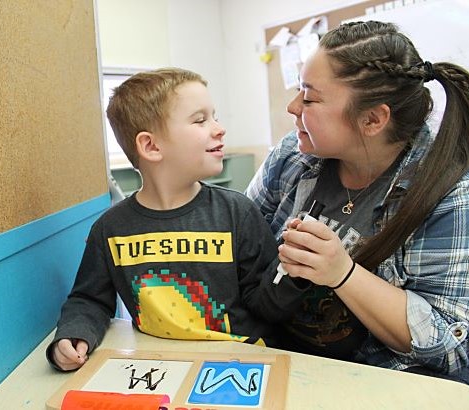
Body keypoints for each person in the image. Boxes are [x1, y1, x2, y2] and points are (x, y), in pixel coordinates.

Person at [246, 21, 469, 397]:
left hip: (398, 375)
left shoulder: (461, 193)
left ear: (373, 119)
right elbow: (244, 245)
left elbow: (449, 344)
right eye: (299, 90)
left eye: (309, 98)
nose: (293, 107)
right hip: (294, 357)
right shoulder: (293, 157)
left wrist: (342, 272)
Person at [47, 68, 288, 371]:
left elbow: (265, 303)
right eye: (200, 120)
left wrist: (293, 274)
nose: (219, 128)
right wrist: (73, 335)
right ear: (151, 146)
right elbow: (89, 299)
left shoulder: (238, 213)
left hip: (240, 364)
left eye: (214, 116)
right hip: (161, 368)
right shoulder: (110, 229)